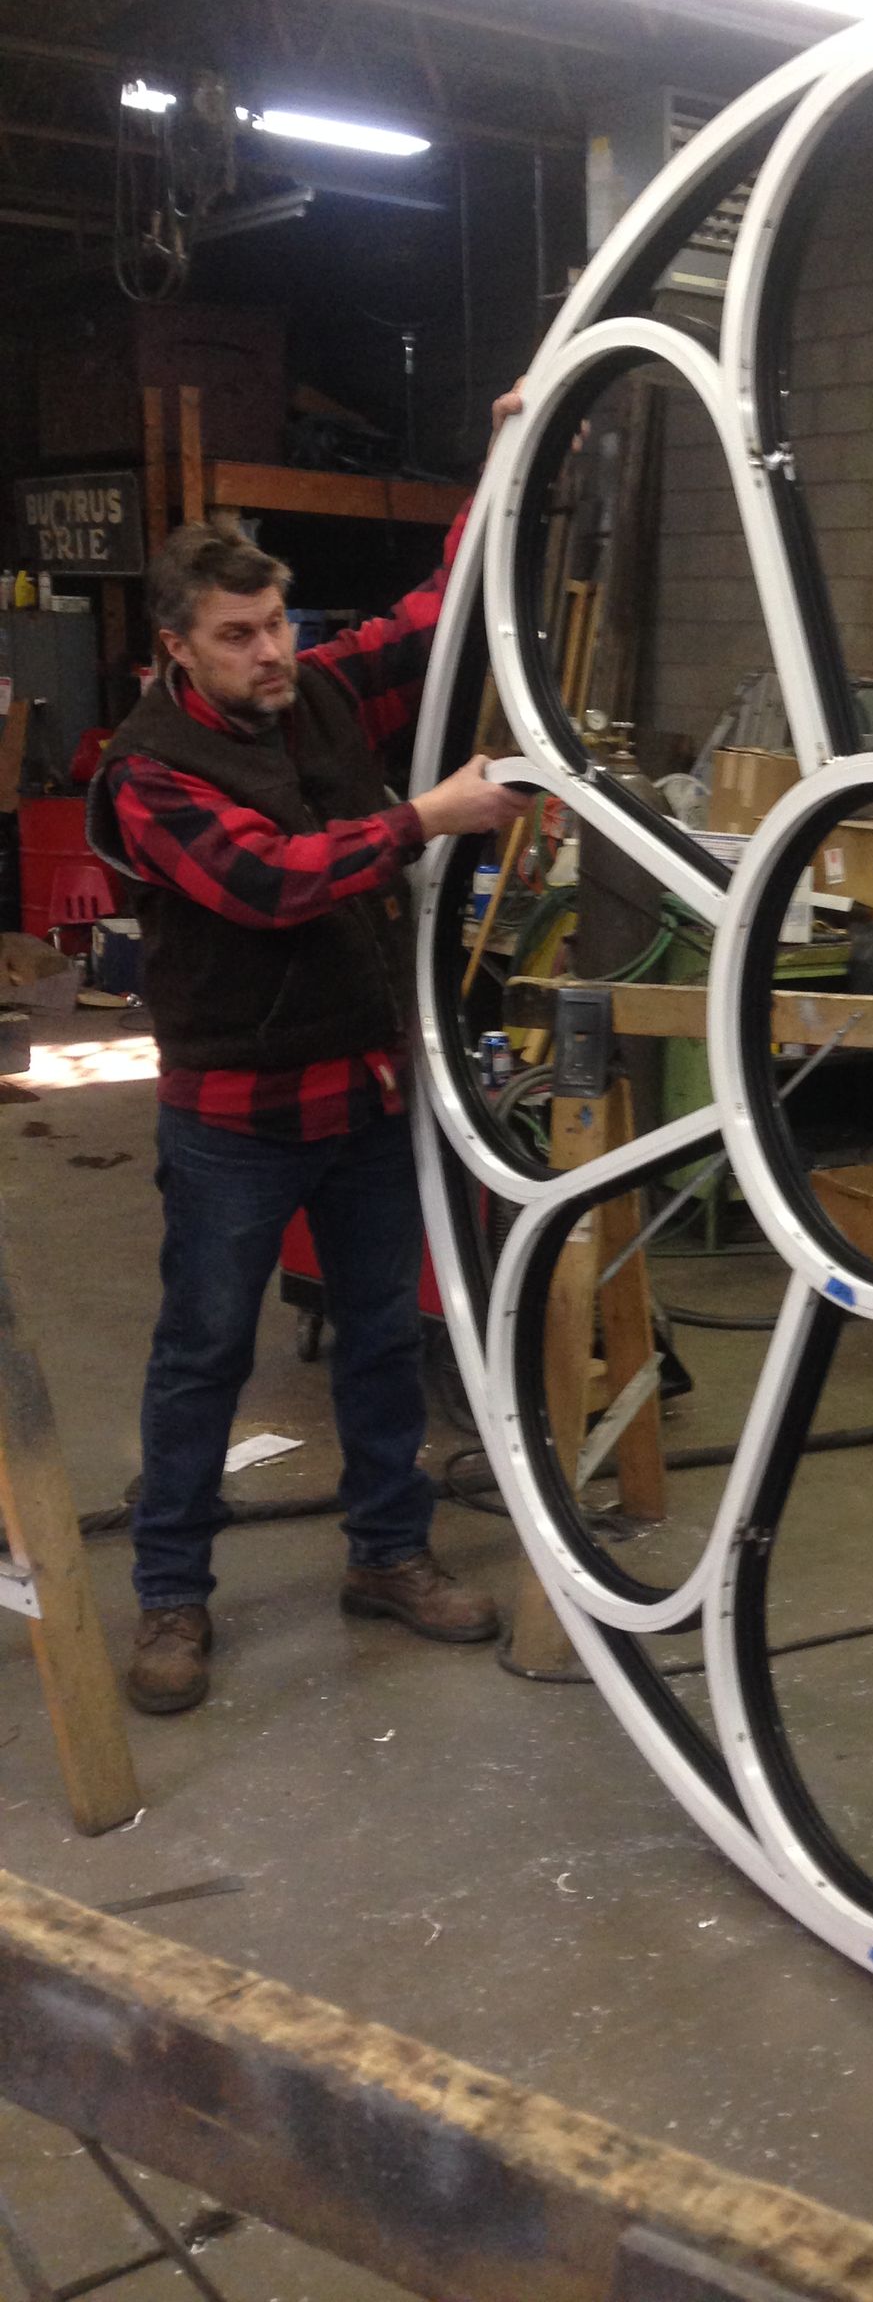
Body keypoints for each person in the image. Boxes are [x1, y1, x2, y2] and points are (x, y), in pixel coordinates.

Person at [88, 388, 528, 1716]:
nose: (274, 651)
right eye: (241, 635)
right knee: (204, 1351)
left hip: (362, 1090)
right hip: (232, 1114)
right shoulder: (144, 770)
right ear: (178, 646)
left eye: (279, 623)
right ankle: (172, 1597)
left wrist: (505, 451)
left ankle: (388, 1554)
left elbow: (438, 609)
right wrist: (431, 816)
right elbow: (271, 881)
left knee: (385, 1337)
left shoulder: (320, 694)